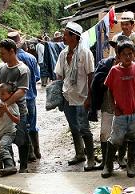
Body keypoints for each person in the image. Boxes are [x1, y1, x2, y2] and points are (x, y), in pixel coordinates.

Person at [102, 38, 135, 178]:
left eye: (130, 54)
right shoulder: (114, 71)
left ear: (134, 54)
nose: (128, 57)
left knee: (134, 138)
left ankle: (131, 164)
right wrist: (114, 106)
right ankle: (108, 166)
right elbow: (109, 89)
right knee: (115, 139)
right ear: (118, 56)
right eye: (124, 54)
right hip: (120, 113)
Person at [55, 22, 98, 171]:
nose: (63, 37)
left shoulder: (85, 53)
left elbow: (91, 76)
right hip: (68, 96)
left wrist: (89, 98)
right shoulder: (62, 54)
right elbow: (59, 75)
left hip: (82, 97)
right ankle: (80, 154)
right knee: (73, 128)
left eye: (66, 34)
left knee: (84, 129)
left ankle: (91, 159)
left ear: (74, 36)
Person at [89, 35, 126, 171]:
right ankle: (105, 161)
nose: (118, 50)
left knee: (124, 133)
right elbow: (97, 83)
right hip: (108, 103)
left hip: (125, 104)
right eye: (116, 47)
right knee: (105, 133)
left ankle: (121, 158)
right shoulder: (105, 63)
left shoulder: (132, 65)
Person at [0, 38, 31, 173]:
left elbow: (21, 91)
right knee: (4, 136)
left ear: (12, 51)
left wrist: (5, 105)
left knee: (21, 138)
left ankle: (24, 167)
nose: (0, 56)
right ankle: (10, 165)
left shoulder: (22, 69)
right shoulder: (0, 68)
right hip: (1, 110)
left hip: (19, 110)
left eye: (3, 53)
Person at [7, 31, 41, 160]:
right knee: (32, 123)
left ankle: (29, 153)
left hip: (17, 98)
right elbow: (37, 77)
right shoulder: (31, 58)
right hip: (31, 96)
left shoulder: (10, 62)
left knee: (22, 125)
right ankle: (37, 151)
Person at [0, 83, 20, 176]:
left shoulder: (13, 105)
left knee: (3, 146)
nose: (0, 96)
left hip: (9, 132)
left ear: (10, 94)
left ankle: (9, 166)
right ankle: (11, 166)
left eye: (3, 94)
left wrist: (7, 110)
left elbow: (17, 120)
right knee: (7, 149)